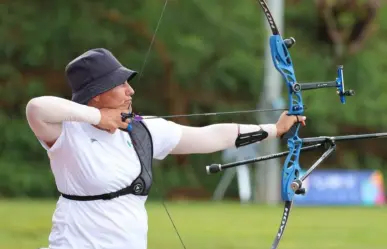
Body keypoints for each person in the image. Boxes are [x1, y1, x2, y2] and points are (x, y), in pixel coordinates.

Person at [25, 48, 306, 249]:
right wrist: (98, 118)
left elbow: (211, 137)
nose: (130, 91)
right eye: (119, 84)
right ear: (97, 95)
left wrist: (275, 130)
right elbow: (36, 108)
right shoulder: (67, 133)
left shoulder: (142, 130)